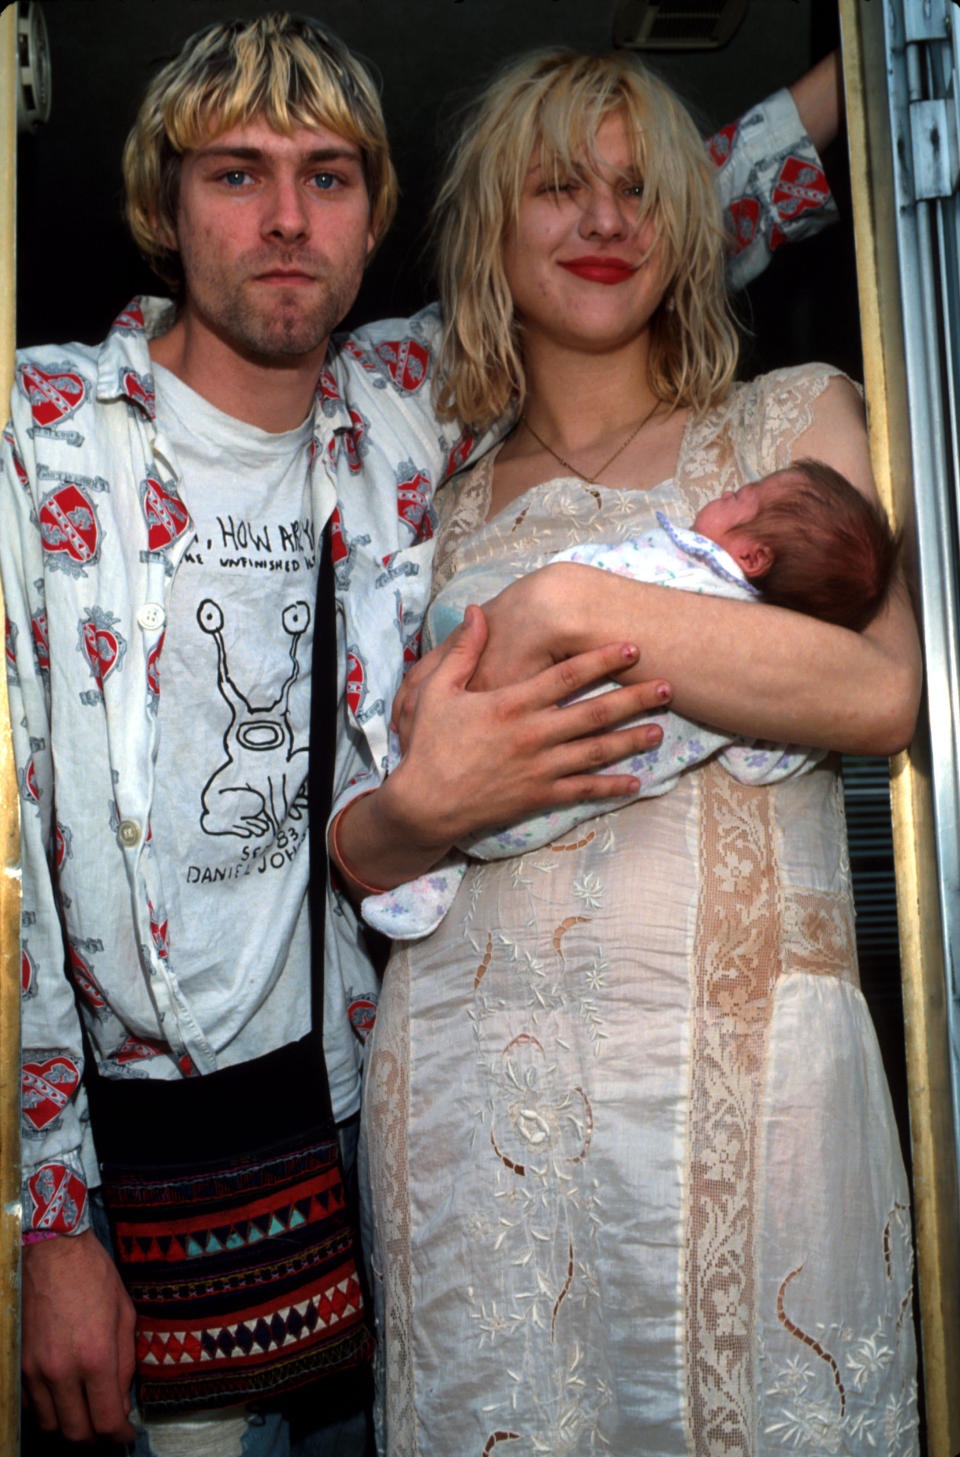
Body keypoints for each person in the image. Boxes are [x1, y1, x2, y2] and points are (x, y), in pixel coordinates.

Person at [4, 13, 841, 1456]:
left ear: (376, 214)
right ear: (161, 203)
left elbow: (641, 225)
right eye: (236, 175)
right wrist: (43, 1218)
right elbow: (4, 850)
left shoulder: (403, 401)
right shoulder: (42, 439)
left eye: (328, 177)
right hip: (146, 1156)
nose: (284, 219)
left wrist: (879, 63)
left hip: (393, 1120)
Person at [330, 49, 923, 1457]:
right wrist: (425, 804)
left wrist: (572, 608)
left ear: (691, 221)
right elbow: (356, 830)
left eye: (639, 188)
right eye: (557, 187)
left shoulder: (795, 422)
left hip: (756, 1081)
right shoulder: (420, 486)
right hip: (481, 1097)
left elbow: (881, 692)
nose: (603, 221)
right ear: (490, 225)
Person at [360, 457, 901, 940]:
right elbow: (756, 766)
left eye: (742, 497)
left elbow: (594, 574)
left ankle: (422, 863)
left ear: (753, 555)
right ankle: (433, 876)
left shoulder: (684, 572)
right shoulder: (760, 673)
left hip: (463, 742)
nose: (727, 492)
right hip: (524, 819)